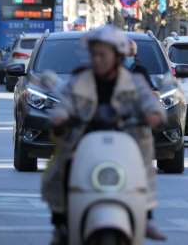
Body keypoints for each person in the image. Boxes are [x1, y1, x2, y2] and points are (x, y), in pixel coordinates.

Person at [42, 25, 166, 244]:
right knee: (61, 167)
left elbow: (149, 101)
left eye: (103, 54)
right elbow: (66, 103)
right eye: (94, 54)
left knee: (143, 165)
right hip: (84, 140)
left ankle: (145, 216)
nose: (97, 59)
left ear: (117, 56)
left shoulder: (134, 81)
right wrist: (60, 117)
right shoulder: (80, 79)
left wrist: (154, 114)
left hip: (126, 141)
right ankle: (60, 222)